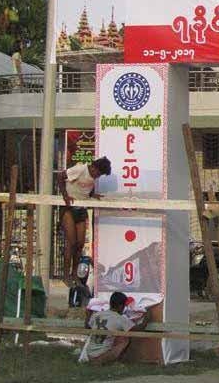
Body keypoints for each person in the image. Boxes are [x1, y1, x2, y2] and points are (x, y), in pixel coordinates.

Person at [57, 156, 112, 286]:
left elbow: (85, 188)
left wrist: (92, 195)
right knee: (71, 242)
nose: (97, 177)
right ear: (93, 167)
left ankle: (74, 274)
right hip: (68, 208)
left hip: (81, 209)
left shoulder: (93, 177)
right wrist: (65, 195)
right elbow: (60, 176)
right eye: (98, 173)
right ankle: (66, 275)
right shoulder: (80, 169)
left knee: (80, 244)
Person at [79, 291, 147, 365]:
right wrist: (147, 317)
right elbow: (138, 329)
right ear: (120, 306)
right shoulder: (119, 319)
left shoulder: (98, 314)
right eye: (124, 306)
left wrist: (88, 315)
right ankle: (104, 361)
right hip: (102, 355)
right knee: (125, 339)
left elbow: (87, 328)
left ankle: (99, 361)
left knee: (115, 336)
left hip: (89, 354)